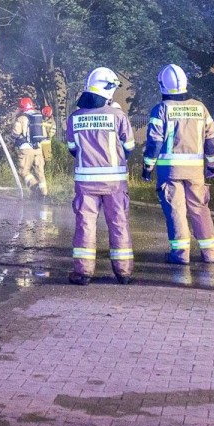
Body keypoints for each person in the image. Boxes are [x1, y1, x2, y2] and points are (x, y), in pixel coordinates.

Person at [143, 63, 214, 265]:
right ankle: (210, 252)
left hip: (170, 172)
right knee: (200, 208)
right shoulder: (200, 108)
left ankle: (180, 254)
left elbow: (155, 143)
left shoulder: (161, 109)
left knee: (176, 211)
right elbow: (211, 142)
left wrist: (147, 167)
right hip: (196, 171)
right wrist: (212, 166)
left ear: (162, 85)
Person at [66, 67, 135, 285]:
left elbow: (72, 149)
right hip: (114, 183)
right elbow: (130, 146)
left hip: (86, 183)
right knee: (118, 223)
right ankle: (123, 273)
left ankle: (83, 272)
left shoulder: (74, 118)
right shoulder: (118, 116)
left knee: (86, 225)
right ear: (108, 90)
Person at [12, 97, 48, 198]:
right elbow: (44, 134)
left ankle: (34, 186)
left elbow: (15, 133)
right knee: (40, 171)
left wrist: (13, 137)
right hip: (38, 148)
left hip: (26, 149)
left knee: (23, 171)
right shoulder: (38, 117)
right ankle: (44, 193)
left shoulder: (21, 118)